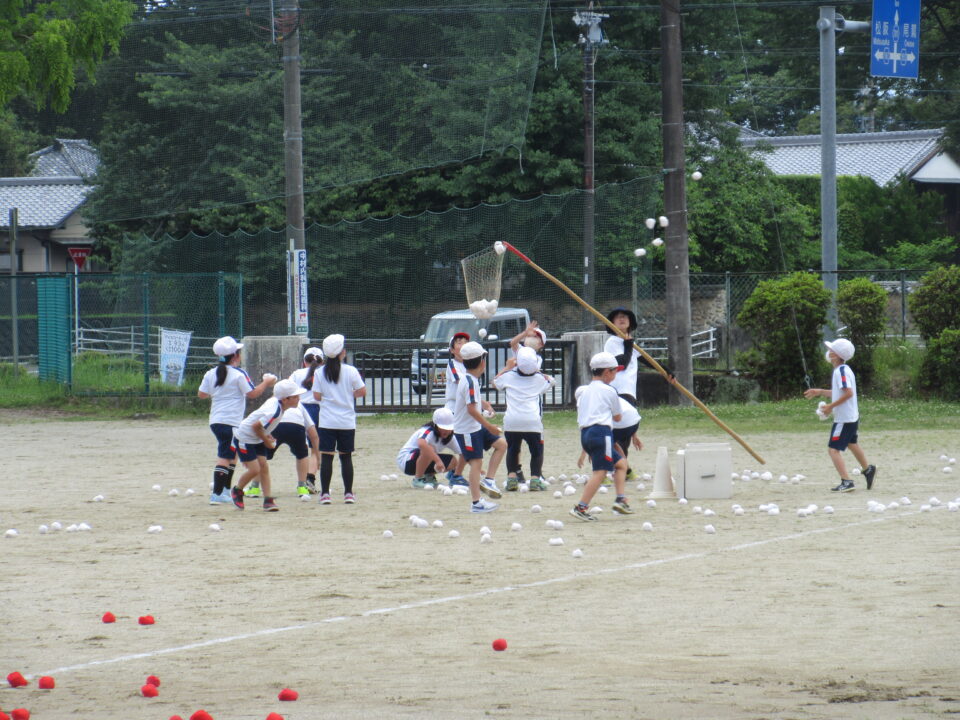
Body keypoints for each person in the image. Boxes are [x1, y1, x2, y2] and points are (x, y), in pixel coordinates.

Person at [197, 336, 275, 505]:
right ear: (235, 356)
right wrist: (266, 383)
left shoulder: (211, 373)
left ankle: (225, 490)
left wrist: (219, 394)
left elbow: (202, 394)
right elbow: (252, 394)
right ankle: (217, 494)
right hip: (231, 421)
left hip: (216, 420)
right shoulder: (239, 374)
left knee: (232, 455)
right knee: (225, 455)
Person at [803, 338, 876, 492]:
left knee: (833, 450)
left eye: (831, 350)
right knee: (851, 443)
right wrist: (820, 392)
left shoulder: (841, 371)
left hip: (844, 418)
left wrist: (830, 407)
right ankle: (868, 469)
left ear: (836, 355)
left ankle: (847, 481)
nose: (828, 353)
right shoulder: (843, 370)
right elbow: (840, 392)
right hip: (851, 416)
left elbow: (848, 393)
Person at [570, 352, 634, 522]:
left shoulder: (585, 391)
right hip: (601, 432)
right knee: (600, 472)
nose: (615, 375)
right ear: (607, 372)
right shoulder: (610, 391)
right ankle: (581, 507)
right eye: (614, 371)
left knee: (621, 464)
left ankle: (621, 499)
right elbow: (618, 417)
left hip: (586, 434)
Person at [230, 379, 309, 512]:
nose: (298, 399)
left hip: (256, 437)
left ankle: (268, 499)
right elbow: (256, 426)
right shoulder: (275, 411)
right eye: (295, 396)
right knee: (255, 470)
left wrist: (268, 434)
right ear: (285, 399)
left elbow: (262, 425)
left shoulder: (279, 405)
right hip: (245, 438)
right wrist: (267, 442)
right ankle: (237, 490)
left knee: (264, 467)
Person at [453, 341, 507, 513]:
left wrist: (484, 404)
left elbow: (471, 402)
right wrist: (489, 426)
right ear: (482, 362)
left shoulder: (470, 379)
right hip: (467, 430)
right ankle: (476, 503)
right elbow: (470, 410)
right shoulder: (469, 381)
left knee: (501, 445)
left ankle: (489, 480)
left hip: (474, 426)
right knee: (476, 463)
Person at [312, 333, 366, 504]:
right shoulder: (351, 371)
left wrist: (329, 398)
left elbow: (316, 395)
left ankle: (325, 494)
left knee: (327, 457)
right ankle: (348, 493)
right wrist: (349, 395)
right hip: (346, 421)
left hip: (327, 420)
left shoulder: (319, 372)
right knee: (346, 457)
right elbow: (362, 391)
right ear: (342, 352)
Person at [492, 346, 555, 491]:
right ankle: (535, 479)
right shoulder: (539, 379)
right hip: (532, 421)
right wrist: (538, 370)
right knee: (536, 451)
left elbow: (494, 382)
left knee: (513, 449)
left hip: (512, 421)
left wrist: (507, 368)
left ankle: (512, 479)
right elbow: (551, 381)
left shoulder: (508, 376)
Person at [603, 307, 670, 404]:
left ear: (630, 322)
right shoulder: (612, 342)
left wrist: (665, 370)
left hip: (629, 391)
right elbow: (622, 364)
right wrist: (628, 346)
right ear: (612, 323)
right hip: (618, 390)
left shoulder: (630, 344)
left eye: (624, 316)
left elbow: (647, 360)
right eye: (617, 317)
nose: (621, 319)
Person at [396, 408, 463, 488]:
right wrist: (438, 461)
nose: (445, 431)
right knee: (429, 448)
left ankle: (428, 478)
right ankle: (418, 479)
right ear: (435, 425)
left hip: (422, 459)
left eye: (448, 428)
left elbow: (463, 453)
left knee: (453, 461)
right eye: (442, 427)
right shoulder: (428, 431)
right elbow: (421, 444)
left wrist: (474, 468)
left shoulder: (450, 438)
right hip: (406, 461)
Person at [289, 347, 323, 493]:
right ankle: (310, 479)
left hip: (297, 410)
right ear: (322, 362)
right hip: (316, 411)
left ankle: (255, 483)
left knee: (300, 449)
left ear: (304, 361)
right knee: (315, 448)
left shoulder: (296, 374)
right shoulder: (323, 373)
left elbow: (287, 390)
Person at [443, 332, 470, 412]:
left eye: (466, 342)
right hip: (454, 408)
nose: (464, 345)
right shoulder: (452, 365)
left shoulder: (471, 365)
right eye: (459, 343)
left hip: (468, 407)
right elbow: (462, 381)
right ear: (452, 350)